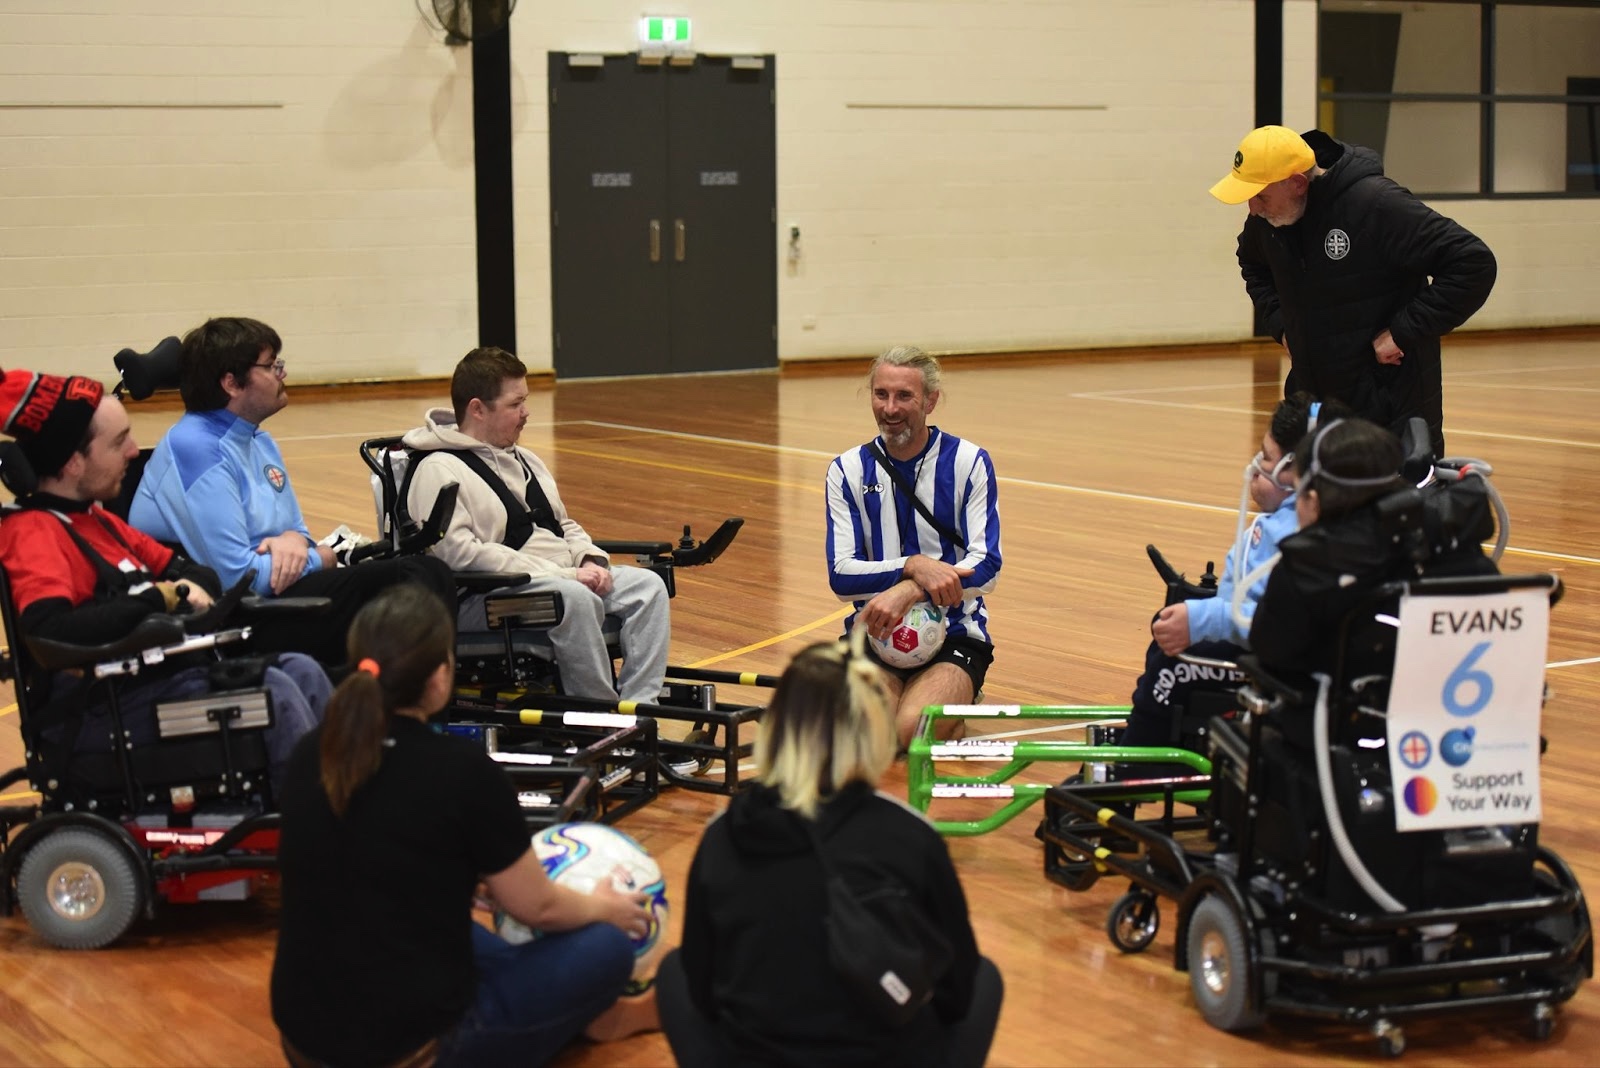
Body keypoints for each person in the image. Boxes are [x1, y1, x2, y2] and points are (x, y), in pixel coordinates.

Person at [271, 584, 656, 1068]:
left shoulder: (315, 750)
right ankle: (583, 1017)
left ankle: (562, 1011)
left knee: (457, 931)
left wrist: (454, 876)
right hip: (410, 1054)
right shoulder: (463, 769)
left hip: (303, 1041)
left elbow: (360, 858)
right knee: (603, 948)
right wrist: (604, 909)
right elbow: (540, 907)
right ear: (440, 675)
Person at [657, 629, 1003, 1068]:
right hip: (883, 1053)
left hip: (758, 1055)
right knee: (986, 979)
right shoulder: (909, 834)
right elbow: (958, 990)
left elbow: (703, 988)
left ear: (778, 728)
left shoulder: (726, 831)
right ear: (871, 730)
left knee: (672, 973)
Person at [0, 367, 329, 788]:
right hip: (99, 712)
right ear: (72, 462)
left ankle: (345, 814)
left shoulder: (101, 523)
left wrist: (177, 591)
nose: (134, 451)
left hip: (158, 683)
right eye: (119, 442)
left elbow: (198, 575)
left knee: (302, 670)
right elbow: (49, 631)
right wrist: (161, 599)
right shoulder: (34, 533)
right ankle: (314, 830)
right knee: (275, 695)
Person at [129, 316, 457, 666]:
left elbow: (299, 535)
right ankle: (420, 708)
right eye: (271, 366)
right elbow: (239, 576)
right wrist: (323, 557)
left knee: (421, 571)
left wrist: (290, 541)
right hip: (235, 617)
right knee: (413, 578)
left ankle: (402, 701)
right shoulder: (195, 446)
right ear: (231, 383)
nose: (282, 373)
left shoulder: (259, 441)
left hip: (275, 594)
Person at [400, 347, 670, 706]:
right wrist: (562, 575)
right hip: (487, 598)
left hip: (553, 580)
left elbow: (563, 525)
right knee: (573, 598)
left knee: (648, 586)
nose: (526, 413)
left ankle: (640, 709)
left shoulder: (525, 459)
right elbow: (459, 554)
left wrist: (589, 559)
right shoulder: (438, 469)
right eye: (516, 404)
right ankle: (601, 719)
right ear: (478, 408)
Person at [1210, 125, 1497, 458]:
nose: (1252, 208)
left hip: (1390, 405)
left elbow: (1472, 262)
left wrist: (1404, 331)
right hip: (1312, 402)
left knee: (1392, 505)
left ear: (1297, 183)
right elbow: (1253, 265)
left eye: (1260, 195)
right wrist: (1281, 324)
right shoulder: (1268, 221)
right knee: (1309, 503)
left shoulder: (1376, 204)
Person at [1122, 394, 1338, 755]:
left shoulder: (1301, 537)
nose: (1255, 467)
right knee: (1169, 640)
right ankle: (1159, 731)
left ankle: (1130, 768)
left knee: (1172, 667)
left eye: (1267, 458)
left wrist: (1206, 618)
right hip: (1255, 643)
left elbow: (1281, 620)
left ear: (1295, 471)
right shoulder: (1283, 522)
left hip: (1275, 661)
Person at [825, 345, 1001, 747]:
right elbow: (840, 576)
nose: (890, 408)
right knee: (873, 737)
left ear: (930, 400)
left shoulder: (969, 462)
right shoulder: (847, 470)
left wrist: (912, 587)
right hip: (874, 634)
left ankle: (960, 696)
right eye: (881, 394)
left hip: (955, 635)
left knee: (910, 733)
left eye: (904, 396)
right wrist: (913, 564)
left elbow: (988, 563)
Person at [1249, 416, 1496, 688]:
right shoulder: (1452, 539)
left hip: (1347, 721)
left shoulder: (1305, 567)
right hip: (1465, 711)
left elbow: (1270, 652)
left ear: (1314, 501)